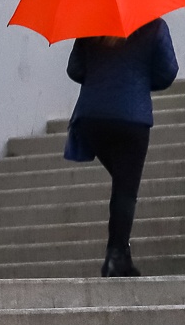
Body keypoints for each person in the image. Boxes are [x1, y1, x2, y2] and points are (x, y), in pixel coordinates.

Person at [63, 18, 178, 277]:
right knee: (126, 190)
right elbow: (168, 72)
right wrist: (139, 79)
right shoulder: (155, 26)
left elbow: (74, 69)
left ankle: (121, 254)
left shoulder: (90, 25)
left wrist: (100, 72)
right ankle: (116, 257)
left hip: (92, 118)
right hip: (131, 118)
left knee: (124, 186)